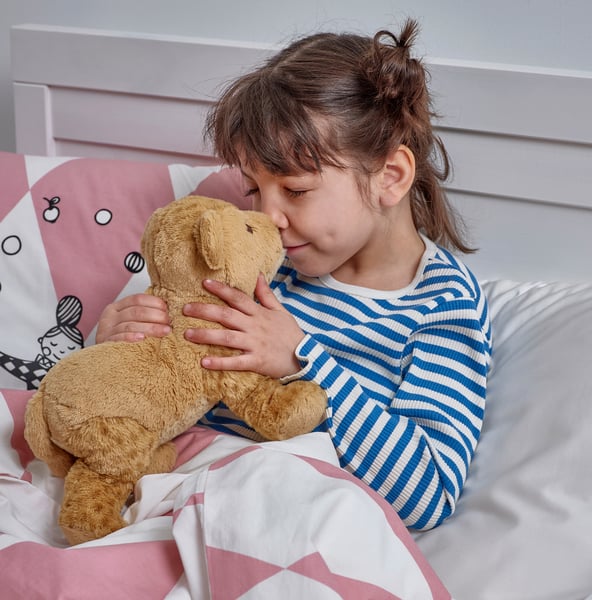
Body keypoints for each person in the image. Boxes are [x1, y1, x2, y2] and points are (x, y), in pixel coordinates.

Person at [95, 19, 492, 531]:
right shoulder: (260, 262)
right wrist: (113, 342)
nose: (268, 217)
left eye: (296, 190)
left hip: (292, 515)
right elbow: (166, 380)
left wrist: (301, 360)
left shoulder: (443, 304)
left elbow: (426, 494)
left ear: (390, 177)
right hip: (175, 488)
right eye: (254, 190)